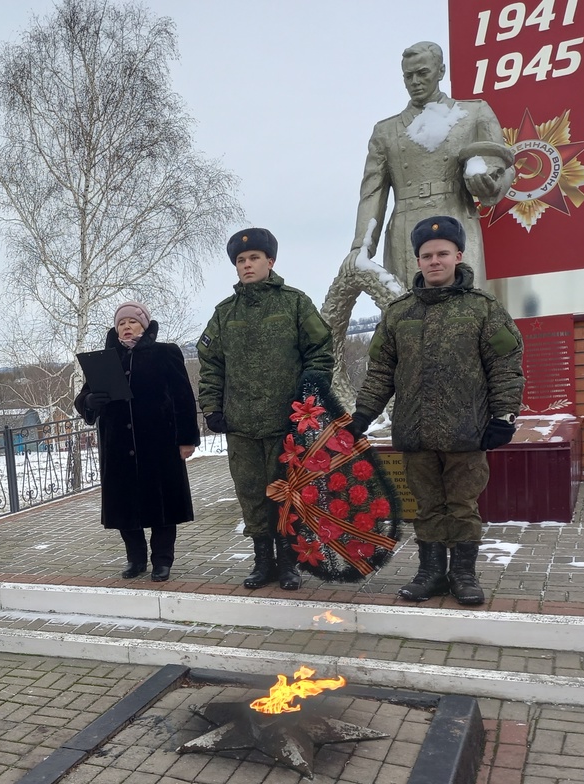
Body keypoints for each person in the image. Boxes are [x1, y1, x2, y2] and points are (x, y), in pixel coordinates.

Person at [350, 216, 524, 606]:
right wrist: (362, 415)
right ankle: (430, 573)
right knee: (426, 506)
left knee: (462, 506)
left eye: (442, 253)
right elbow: (381, 371)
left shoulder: (483, 309)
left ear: (457, 256)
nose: (434, 261)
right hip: (415, 431)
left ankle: (463, 574)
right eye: (426, 255)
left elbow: (505, 366)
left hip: (468, 430)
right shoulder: (398, 314)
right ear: (417, 261)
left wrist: (504, 416)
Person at [198, 228, 333, 591]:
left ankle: (289, 562)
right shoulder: (225, 313)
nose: (246, 265)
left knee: (287, 493)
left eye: (253, 258)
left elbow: (320, 351)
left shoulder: (294, 303)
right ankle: (263, 562)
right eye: (240, 261)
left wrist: (310, 399)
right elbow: (210, 363)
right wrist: (211, 406)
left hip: (285, 424)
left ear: (270, 262)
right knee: (252, 495)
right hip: (241, 425)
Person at [345, 41, 515, 289]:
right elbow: (372, 193)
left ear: (441, 71)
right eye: (408, 76)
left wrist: (487, 181)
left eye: (422, 73)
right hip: (405, 227)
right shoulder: (386, 131)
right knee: (406, 309)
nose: (415, 82)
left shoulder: (474, 113)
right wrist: (362, 246)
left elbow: (501, 167)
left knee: (465, 303)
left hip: (456, 217)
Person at [75, 301, 199, 582]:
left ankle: (162, 561)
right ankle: (136, 558)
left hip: (159, 444)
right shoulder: (106, 359)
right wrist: (89, 401)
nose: (126, 327)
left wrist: (187, 439)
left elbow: (183, 397)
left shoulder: (165, 353)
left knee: (163, 508)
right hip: (118, 446)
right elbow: (84, 397)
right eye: (121, 323)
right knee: (124, 507)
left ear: (144, 325)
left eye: (132, 322)